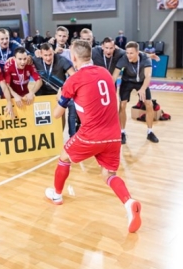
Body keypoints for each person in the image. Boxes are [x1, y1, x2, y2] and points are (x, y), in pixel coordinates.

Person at [44, 40, 142, 234]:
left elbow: (57, 114)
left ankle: (56, 195)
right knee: (108, 175)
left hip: (91, 134)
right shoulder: (105, 73)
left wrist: (60, 97)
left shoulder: (74, 79)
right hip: (113, 135)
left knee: (64, 157)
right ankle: (128, 202)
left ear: (73, 57)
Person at [112, 41, 159, 144]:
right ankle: (122, 132)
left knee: (149, 104)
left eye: (131, 53)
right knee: (122, 105)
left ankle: (150, 132)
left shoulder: (146, 58)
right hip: (127, 81)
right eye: (127, 53)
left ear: (138, 52)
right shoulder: (124, 58)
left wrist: (142, 89)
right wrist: (109, 87)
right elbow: (114, 75)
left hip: (141, 82)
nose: (128, 55)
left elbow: (148, 76)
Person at [33, 43, 76, 137]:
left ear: (53, 52)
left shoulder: (61, 60)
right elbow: (24, 60)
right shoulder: (35, 60)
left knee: (61, 115)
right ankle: (45, 137)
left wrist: (64, 89)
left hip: (59, 93)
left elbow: (74, 76)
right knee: (43, 119)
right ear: (40, 53)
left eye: (50, 54)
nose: (48, 58)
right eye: (45, 55)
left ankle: (62, 136)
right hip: (42, 93)